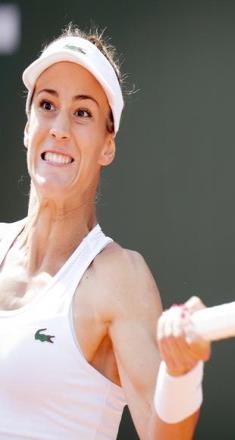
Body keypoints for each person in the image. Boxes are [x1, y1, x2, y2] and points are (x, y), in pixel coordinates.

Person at [0, 24, 210, 439]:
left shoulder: (119, 279)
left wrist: (182, 374)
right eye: (47, 105)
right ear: (27, 128)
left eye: (82, 113)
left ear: (107, 145)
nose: (59, 127)